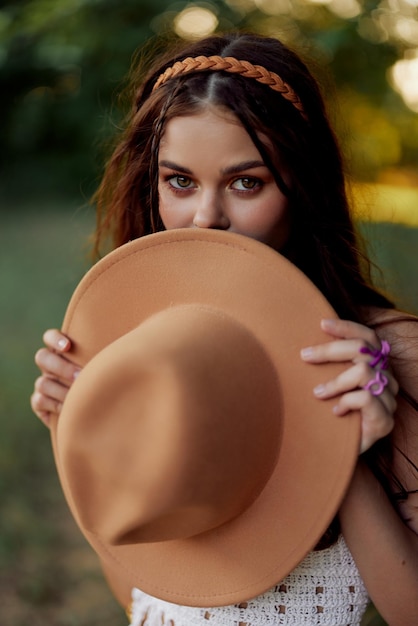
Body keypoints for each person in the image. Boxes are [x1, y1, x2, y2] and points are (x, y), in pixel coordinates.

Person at [30, 32, 418, 625]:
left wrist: (342, 453)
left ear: (301, 188)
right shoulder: (135, 348)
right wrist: (79, 437)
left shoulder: (379, 358)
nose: (206, 218)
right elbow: (143, 597)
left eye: (246, 182)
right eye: (179, 181)